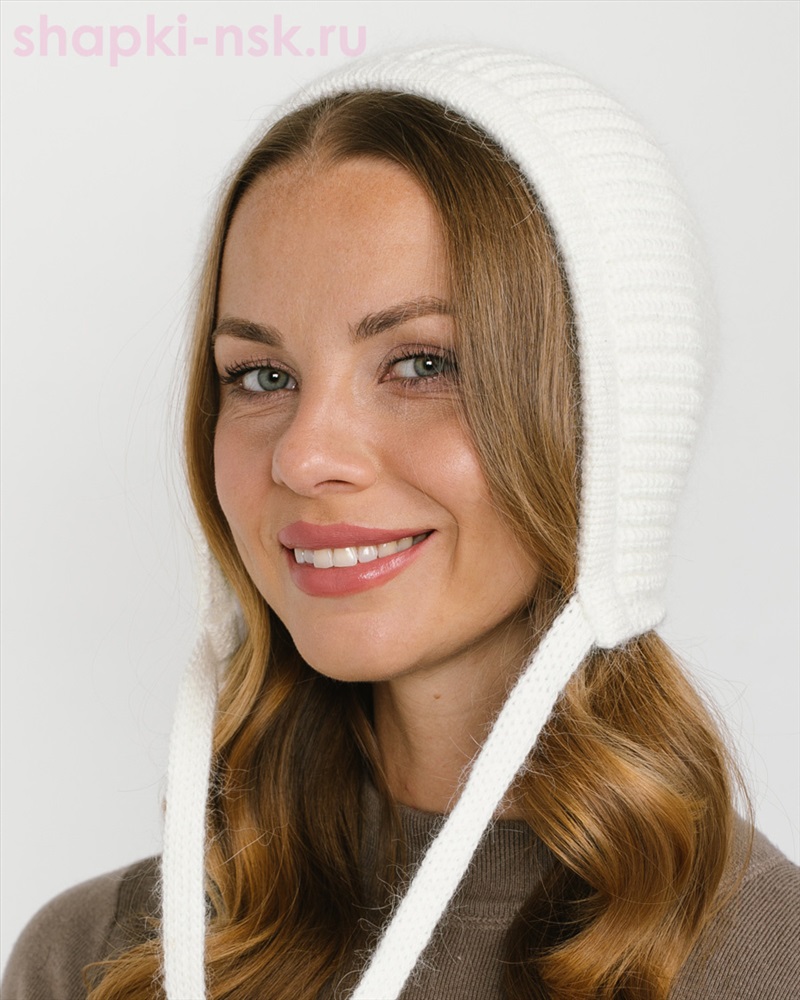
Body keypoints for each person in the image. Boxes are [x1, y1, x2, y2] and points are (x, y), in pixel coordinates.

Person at [2, 45, 798, 1000]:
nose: (303, 456)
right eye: (261, 375)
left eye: (422, 365)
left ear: (612, 427)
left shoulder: (767, 963)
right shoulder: (98, 960)